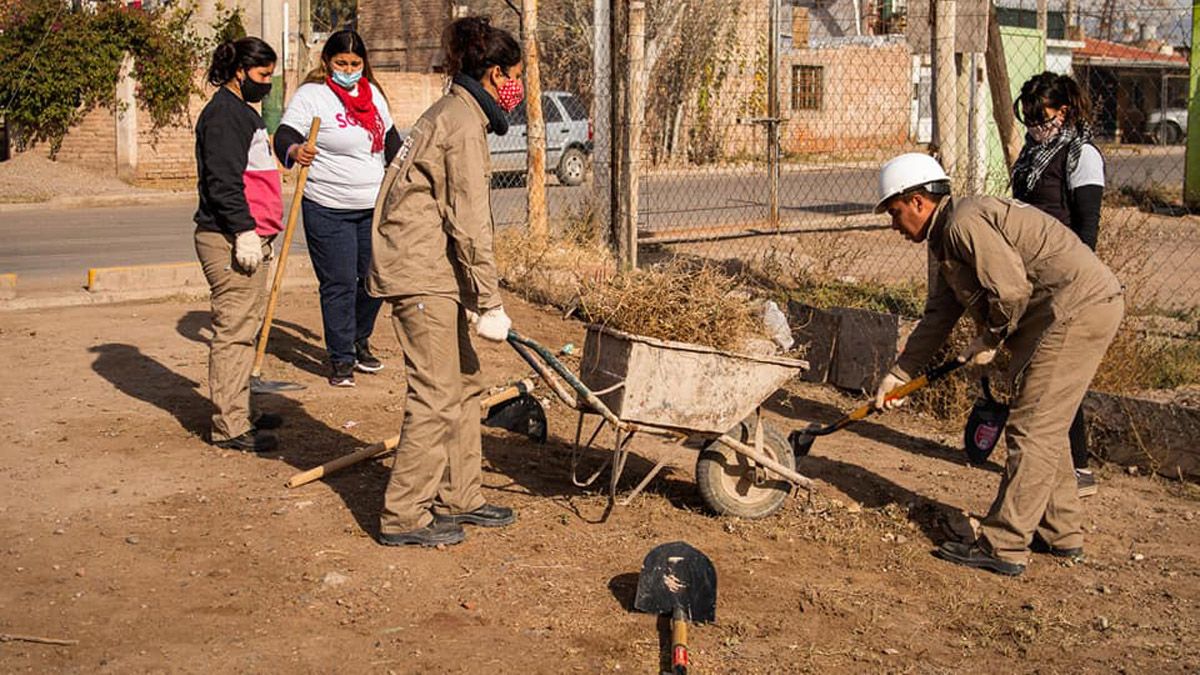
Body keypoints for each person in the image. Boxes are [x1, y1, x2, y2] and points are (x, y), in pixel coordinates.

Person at [872, 153, 1123, 576]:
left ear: (918, 202)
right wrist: (899, 374)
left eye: (895, 213)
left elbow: (1009, 292)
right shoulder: (945, 237)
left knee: (1032, 428)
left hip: (1075, 310)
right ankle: (1060, 534)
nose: (894, 226)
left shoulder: (964, 223)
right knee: (1046, 427)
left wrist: (990, 337)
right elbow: (939, 315)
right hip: (1064, 313)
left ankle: (1004, 544)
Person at [366, 16, 524, 547]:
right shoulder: (459, 123)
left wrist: (474, 296)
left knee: (465, 383)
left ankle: (460, 495)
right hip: (421, 273)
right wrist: (490, 300)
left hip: (436, 269)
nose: (515, 89)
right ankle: (404, 514)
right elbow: (471, 220)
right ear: (495, 72)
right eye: (513, 76)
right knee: (435, 393)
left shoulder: (458, 113)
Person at [273, 30, 403, 387]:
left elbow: (392, 142)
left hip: (372, 207)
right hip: (329, 207)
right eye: (341, 63)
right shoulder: (313, 96)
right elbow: (284, 135)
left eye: (355, 63)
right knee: (340, 283)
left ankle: (359, 339)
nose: (348, 70)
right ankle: (341, 358)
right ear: (327, 62)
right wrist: (295, 151)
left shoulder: (373, 94)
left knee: (373, 280)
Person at [1012, 71, 1105, 498]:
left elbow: (1087, 227)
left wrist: (1074, 282)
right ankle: (1053, 460)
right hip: (1029, 274)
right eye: (1028, 116)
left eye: (1041, 115)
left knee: (1061, 373)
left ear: (1063, 111)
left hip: (1066, 278)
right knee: (1036, 369)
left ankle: (1078, 466)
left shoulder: (1080, 156)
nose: (1034, 124)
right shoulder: (1032, 153)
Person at [193, 37, 285, 453]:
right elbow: (223, 182)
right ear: (239, 72)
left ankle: (238, 407)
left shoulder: (239, 113)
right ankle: (230, 425)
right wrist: (245, 231)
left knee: (245, 329)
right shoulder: (225, 117)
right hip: (228, 238)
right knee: (233, 332)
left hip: (245, 234)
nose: (267, 83)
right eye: (263, 75)